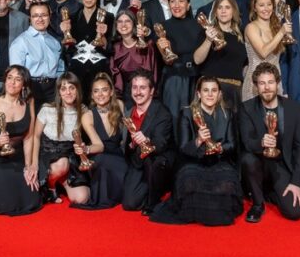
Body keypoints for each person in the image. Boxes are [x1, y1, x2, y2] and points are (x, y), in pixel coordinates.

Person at [150, 76, 242, 226]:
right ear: (198, 94)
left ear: (219, 94)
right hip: (193, 161)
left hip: (219, 160)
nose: (210, 94)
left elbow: (232, 144)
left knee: (228, 184)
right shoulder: (186, 113)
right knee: (190, 182)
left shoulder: (228, 113)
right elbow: (183, 147)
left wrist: (219, 148)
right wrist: (198, 140)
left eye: (214, 90)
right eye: (206, 90)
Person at [238, 64, 300, 223]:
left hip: (281, 166)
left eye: (270, 82)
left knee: (294, 212)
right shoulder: (246, 108)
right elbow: (247, 143)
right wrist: (261, 142)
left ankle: (270, 193)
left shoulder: (294, 108)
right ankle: (257, 203)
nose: (267, 87)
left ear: (278, 84)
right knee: (247, 159)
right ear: (255, 86)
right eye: (262, 83)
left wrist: (296, 182)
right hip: (258, 165)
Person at [0, 65, 43, 216]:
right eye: (9, 78)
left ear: (24, 84)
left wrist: (29, 167)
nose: (12, 83)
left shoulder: (29, 101)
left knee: (31, 199)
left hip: (17, 157)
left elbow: (29, 136)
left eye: (18, 79)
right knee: (7, 204)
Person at [70, 73, 128, 210]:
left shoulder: (119, 105)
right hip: (98, 154)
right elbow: (99, 146)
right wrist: (85, 150)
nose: (100, 94)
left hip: (118, 154)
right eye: (96, 91)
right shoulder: (88, 116)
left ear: (111, 92)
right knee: (101, 160)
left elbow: (126, 137)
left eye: (104, 90)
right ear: (91, 95)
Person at [121, 70, 175, 216]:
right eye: (135, 87)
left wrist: (146, 140)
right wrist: (132, 145)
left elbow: (161, 144)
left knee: (153, 161)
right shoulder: (128, 112)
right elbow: (125, 144)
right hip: (137, 161)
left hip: (157, 160)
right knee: (129, 204)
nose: (138, 92)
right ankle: (151, 189)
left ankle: (155, 197)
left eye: (143, 88)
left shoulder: (162, 113)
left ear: (151, 91)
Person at [31, 73, 89, 205]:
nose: (68, 92)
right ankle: (50, 187)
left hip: (70, 156)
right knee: (62, 164)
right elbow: (35, 136)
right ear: (58, 92)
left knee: (81, 198)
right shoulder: (47, 109)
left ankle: (61, 181)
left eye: (72, 88)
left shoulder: (83, 111)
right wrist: (33, 163)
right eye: (63, 89)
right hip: (47, 154)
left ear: (77, 90)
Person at [61, 0, 114, 99]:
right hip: (77, 71)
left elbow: (110, 47)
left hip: (99, 71)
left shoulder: (109, 17)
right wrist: (65, 34)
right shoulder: (71, 18)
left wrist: (103, 36)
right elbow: (67, 49)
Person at [195, 0, 248, 112]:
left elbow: (245, 65)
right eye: (220, 7)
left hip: (235, 90)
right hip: (212, 90)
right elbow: (197, 60)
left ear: (234, 10)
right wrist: (208, 39)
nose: (223, 11)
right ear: (215, 11)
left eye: (227, 7)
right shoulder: (207, 32)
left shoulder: (241, 36)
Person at [157, 0, 205, 116]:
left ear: (188, 5)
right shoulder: (162, 27)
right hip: (173, 80)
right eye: (172, 1)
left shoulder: (200, 27)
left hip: (195, 79)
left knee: (194, 121)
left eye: (181, 1)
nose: (176, 5)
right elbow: (163, 60)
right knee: (173, 120)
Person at [8, 1, 63, 109]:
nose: (40, 19)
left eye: (44, 15)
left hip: (53, 90)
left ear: (49, 16)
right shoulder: (20, 42)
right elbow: (16, 73)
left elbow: (60, 69)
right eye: (35, 16)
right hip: (30, 89)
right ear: (30, 18)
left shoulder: (55, 42)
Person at [242, 0, 287, 101]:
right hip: (256, 83)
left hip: (275, 81)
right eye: (261, 5)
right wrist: (281, 32)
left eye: (269, 4)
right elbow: (263, 52)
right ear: (255, 8)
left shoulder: (276, 27)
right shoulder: (251, 27)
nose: (266, 9)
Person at [111, 9, 158, 108]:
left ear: (134, 24)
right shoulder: (115, 48)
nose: (123, 25)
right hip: (125, 97)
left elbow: (152, 73)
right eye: (120, 21)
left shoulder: (146, 45)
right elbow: (116, 78)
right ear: (116, 25)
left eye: (127, 21)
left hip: (146, 94)